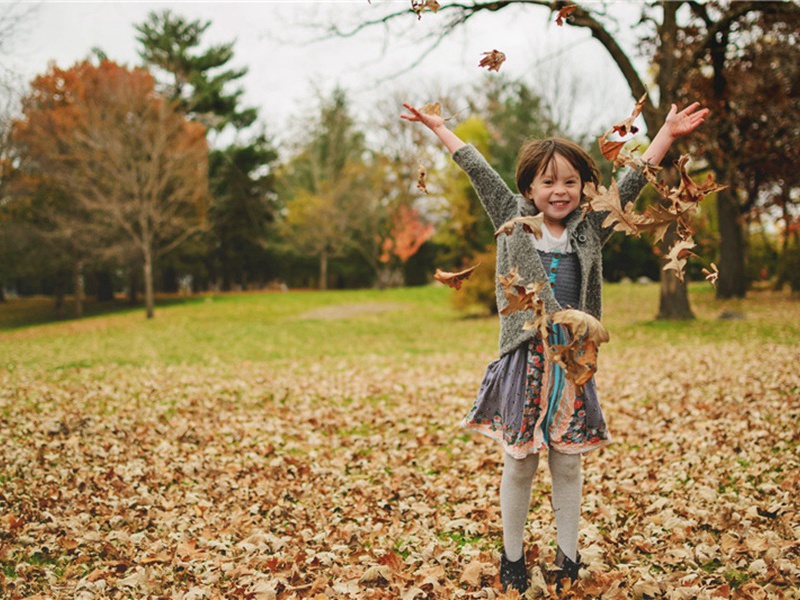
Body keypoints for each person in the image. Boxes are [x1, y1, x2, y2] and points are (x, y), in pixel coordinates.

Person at [401, 100, 708, 593]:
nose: (559, 191)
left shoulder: (587, 229)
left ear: (582, 188)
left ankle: (568, 556)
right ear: (529, 189)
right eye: (548, 182)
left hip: (572, 360)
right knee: (520, 459)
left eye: (569, 182)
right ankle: (512, 558)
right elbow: (479, 171)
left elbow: (630, 183)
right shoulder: (512, 216)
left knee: (568, 458)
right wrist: (440, 128)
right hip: (525, 357)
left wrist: (667, 135)